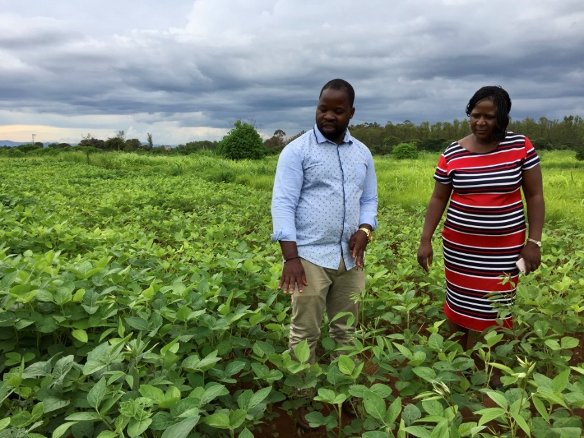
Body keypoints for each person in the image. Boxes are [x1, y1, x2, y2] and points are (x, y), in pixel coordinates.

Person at [417, 86, 545, 368]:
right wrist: (425, 239)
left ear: (503, 118)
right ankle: (458, 364)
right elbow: (439, 198)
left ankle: (489, 367)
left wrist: (534, 243)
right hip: (460, 250)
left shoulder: (520, 147)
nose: (481, 122)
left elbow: (534, 196)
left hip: (505, 251)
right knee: (459, 303)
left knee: (498, 307)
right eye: (475, 115)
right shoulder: (453, 152)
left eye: (489, 116)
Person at [271, 78, 378, 366]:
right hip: (308, 258)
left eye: (338, 110)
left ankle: (345, 392)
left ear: (351, 113)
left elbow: (369, 200)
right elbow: (283, 204)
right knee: (305, 332)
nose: (328, 116)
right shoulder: (297, 151)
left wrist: (365, 230)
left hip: (350, 259)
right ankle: (302, 394)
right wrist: (290, 257)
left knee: (347, 331)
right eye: (322, 109)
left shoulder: (362, 153)